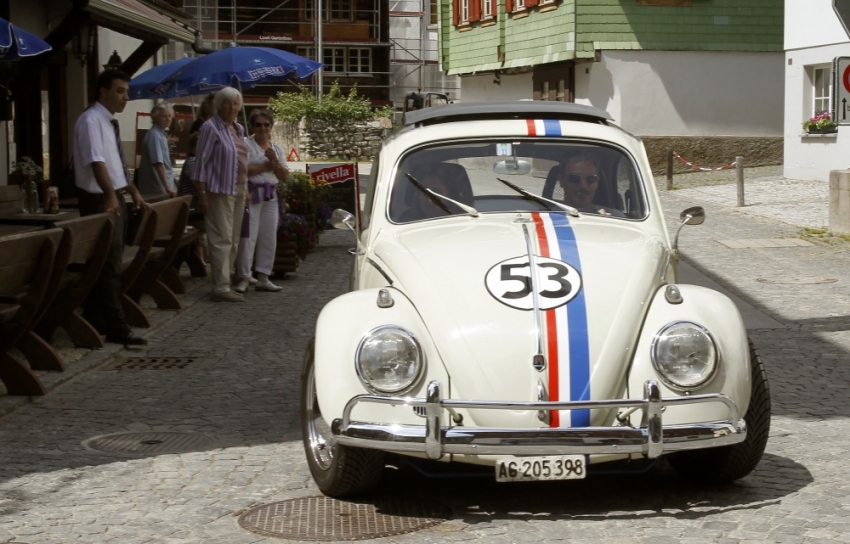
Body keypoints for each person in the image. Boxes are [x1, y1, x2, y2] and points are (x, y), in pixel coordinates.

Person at [73, 70, 147, 346]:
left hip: (113, 195)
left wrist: (132, 190)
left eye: (126, 92)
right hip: (99, 199)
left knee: (106, 262)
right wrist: (109, 195)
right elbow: (97, 161)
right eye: (119, 91)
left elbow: (116, 162)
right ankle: (117, 325)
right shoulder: (91, 120)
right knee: (108, 265)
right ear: (103, 91)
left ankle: (96, 317)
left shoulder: (109, 122)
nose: (125, 97)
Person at [192, 87, 248, 302]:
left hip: (239, 188)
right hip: (219, 190)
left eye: (235, 103)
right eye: (227, 103)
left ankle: (226, 282)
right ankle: (220, 287)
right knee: (221, 238)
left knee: (234, 239)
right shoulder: (210, 127)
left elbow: (242, 161)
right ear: (218, 105)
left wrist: (248, 189)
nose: (232, 107)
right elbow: (200, 163)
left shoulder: (239, 128)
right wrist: (202, 193)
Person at [233, 109, 288, 294]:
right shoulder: (246, 145)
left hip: (271, 196)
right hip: (252, 194)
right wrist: (267, 166)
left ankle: (264, 276)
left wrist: (275, 162)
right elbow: (243, 169)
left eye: (266, 124)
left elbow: (284, 175)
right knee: (248, 237)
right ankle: (243, 276)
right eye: (258, 124)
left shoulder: (277, 149)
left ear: (271, 127)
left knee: (268, 237)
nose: (262, 128)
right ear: (252, 126)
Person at [557, 150, 624, 217]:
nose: (583, 186)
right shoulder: (548, 217)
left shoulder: (616, 218)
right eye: (575, 178)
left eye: (590, 179)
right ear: (562, 180)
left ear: (597, 181)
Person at [178, 133, 208, 264]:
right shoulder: (192, 161)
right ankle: (204, 258)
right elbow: (197, 182)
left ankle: (202, 258)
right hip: (192, 211)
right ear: (192, 148)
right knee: (215, 226)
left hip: (195, 210)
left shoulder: (199, 162)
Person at [137, 103, 176, 197]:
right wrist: (167, 187)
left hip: (161, 187)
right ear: (155, 118)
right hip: (157, 189)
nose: (168, 119)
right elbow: (158, 163)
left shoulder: (160, 134)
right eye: (164, 116)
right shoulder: (155, 135)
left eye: (170, 116)